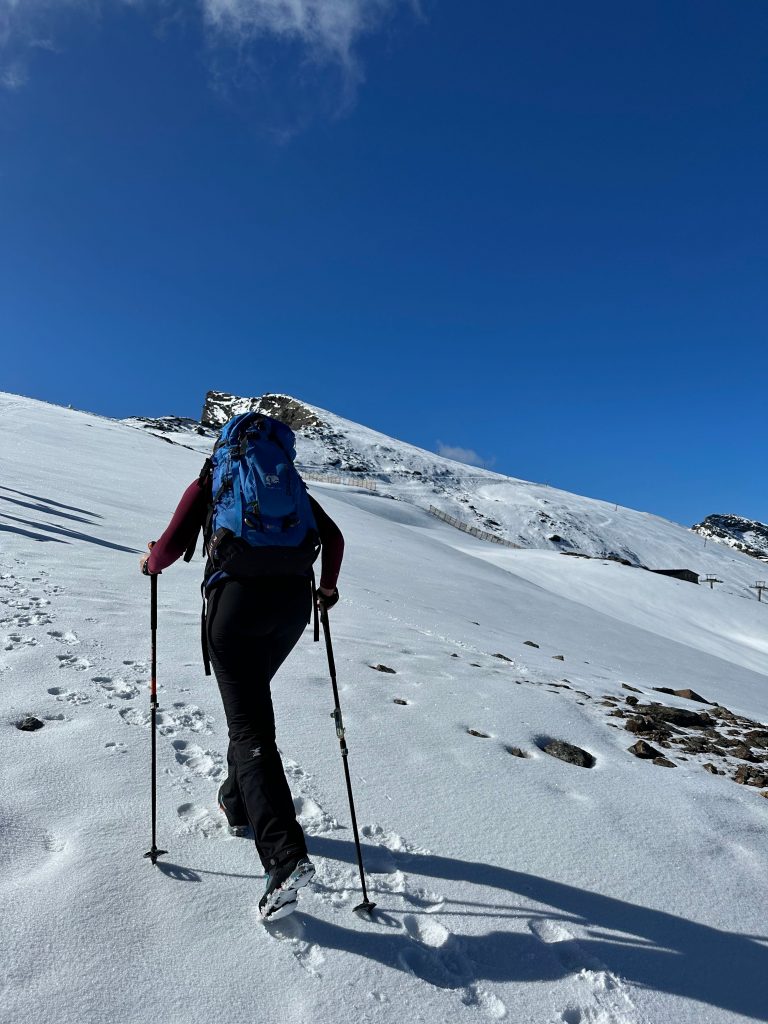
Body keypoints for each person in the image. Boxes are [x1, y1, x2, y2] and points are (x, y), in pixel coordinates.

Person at [139, 457, 344, 922]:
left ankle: (284, 857)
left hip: (236, 608)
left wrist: (150, 562)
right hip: (292, 608)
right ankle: (236, 802)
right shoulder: (286, 485)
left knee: (251, 727)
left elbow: (169, 547)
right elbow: (333, 538)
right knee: (250, 706)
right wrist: (327, 591)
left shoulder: (216, 478)